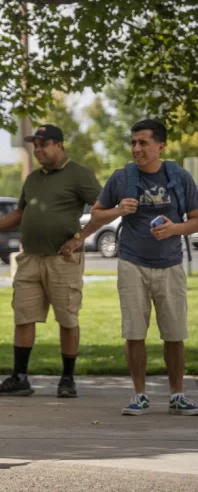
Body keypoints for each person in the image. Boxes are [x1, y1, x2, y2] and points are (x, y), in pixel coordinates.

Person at [0, 125, 106, 398]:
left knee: (67, 319)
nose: (38, 150)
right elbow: (18, 214)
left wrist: (79, 238)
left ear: (60, 145)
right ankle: (20, 378)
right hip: (29, 259)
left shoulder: (79, 174)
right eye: (36, 145)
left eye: (44, 144)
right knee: (23, 317)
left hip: (62, 260)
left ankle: (67, 379)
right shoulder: (32, 179)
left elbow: (102, 211)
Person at [92, 119, 198, 416]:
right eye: (133, 143)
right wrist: (118, 210)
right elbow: (97, 215)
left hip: (171, 265)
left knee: (174, 333)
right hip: (132, 263)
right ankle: (139, 395)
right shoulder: (121, 177)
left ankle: (178, 395)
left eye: (143, 143)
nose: (136, 149)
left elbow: (195, 219)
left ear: (160, 146)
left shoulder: (179, 176)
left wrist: (175, 229)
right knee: (134, 332)